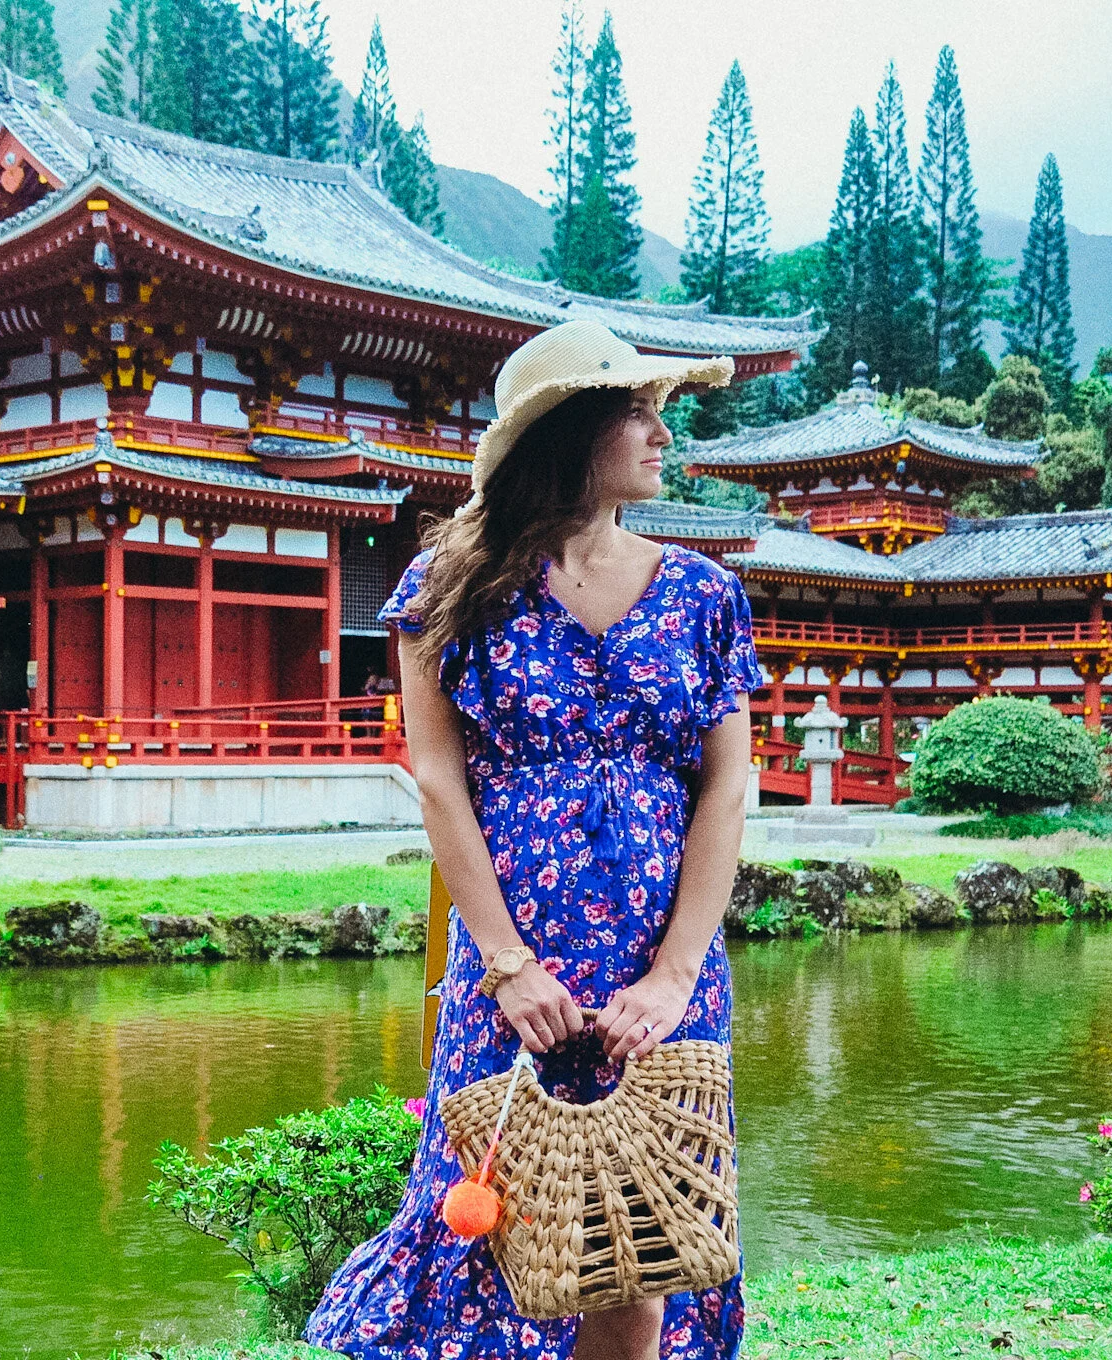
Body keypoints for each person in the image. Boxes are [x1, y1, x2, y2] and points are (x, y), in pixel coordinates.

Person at [305, 320, 759, 1360]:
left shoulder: (702, 594)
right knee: (491, 1219)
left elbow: (726, 786)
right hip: (514, 957)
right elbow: (436, 779)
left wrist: (674, 975)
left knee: (649, 1233)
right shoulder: (451, 586)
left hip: (660, 959)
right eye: (635, 412)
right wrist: (507, 966)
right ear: (568, 431)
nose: (659, 434)